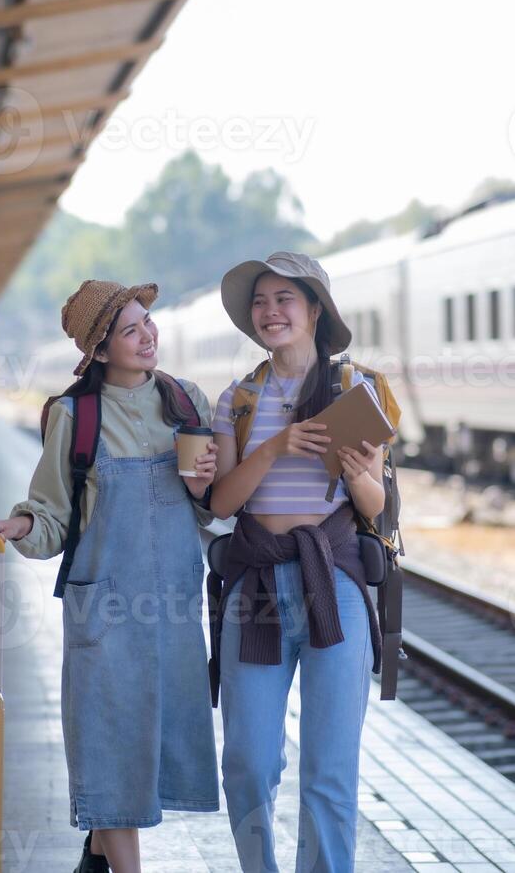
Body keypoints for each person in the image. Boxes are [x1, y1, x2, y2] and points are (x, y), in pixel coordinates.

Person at [0, 279, 219, 873]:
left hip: (170, 610)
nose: (148, 336)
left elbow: (213, 506)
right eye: (130, 330)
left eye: (147, 322)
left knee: (155, 744)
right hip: (104, 609)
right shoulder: (73, 415)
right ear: (101, 350)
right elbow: (52, 513)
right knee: (110, 747)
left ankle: (96, 854)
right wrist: (20, 527)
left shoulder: (187, 402)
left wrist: (204, 486)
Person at [209, 252, 385, 873]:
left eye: (285, 298)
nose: (270, 311)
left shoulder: (352, 390)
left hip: (333, 581)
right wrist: (278, 446)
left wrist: (362, 473)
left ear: (315, 310)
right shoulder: (239, 399)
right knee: (248, 764)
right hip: (254, 583)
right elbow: (221, 502)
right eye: (261, 301)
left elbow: (375, 502)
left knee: (329, 770)